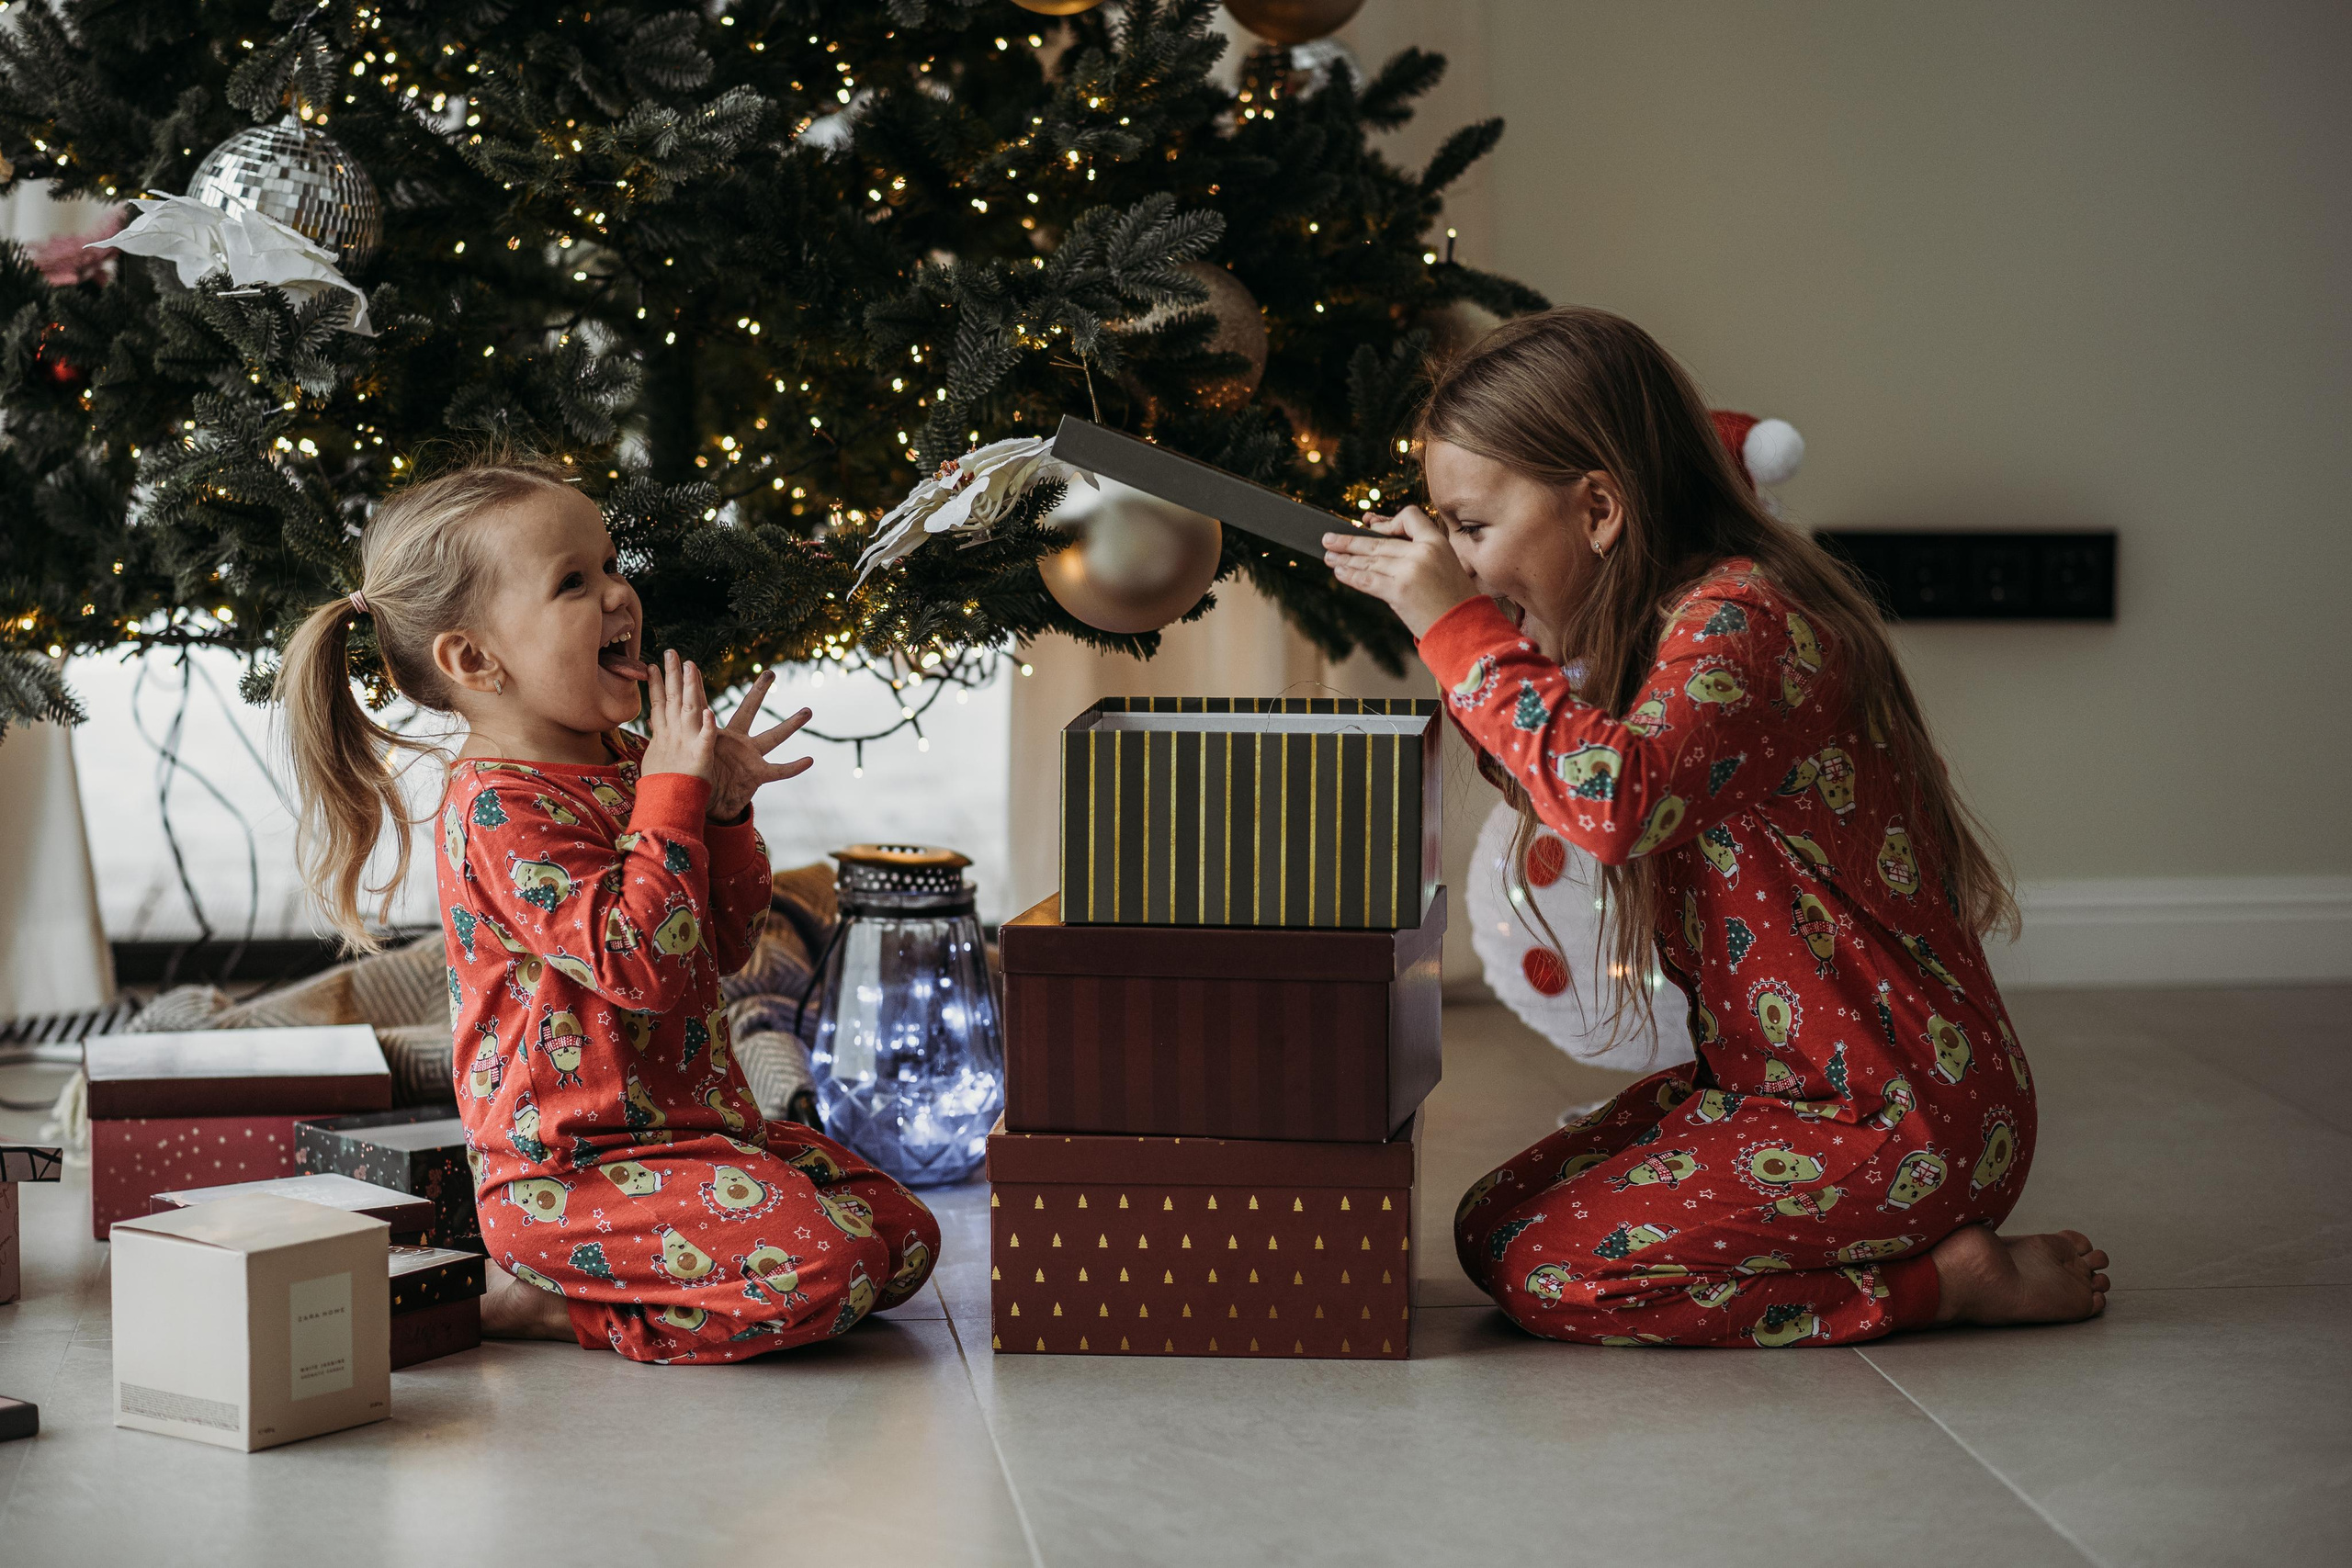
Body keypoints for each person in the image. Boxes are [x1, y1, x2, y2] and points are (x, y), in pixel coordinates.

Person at [1322, 308, 2109, 1347]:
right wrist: (1474, 635)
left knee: (1549, 1274)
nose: (1460, 563)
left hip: (1894, 1118)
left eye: (1472, 527)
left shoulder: (1749, 620)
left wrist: (1457, 631)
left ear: (1598, 506)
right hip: (1772, 1092)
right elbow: (1562, 781)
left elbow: (1612, 803)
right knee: (1490, 1226)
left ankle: (1945, 1285)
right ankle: (1898, 1249)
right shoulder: (1668, 626)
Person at [277, 451, 939, 1362]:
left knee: (903, 1239)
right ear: (474, 659)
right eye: (573, 582)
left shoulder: (634, 762)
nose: (619, 596)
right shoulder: (499, 805)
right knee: (826, 1267)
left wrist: (724, 811)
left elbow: (729, 942)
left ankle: (718, 1248)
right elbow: (640, 966)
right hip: (573, 1175)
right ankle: (545, 1306)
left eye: (612, 565)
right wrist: (673, 792)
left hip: (699, 1141)